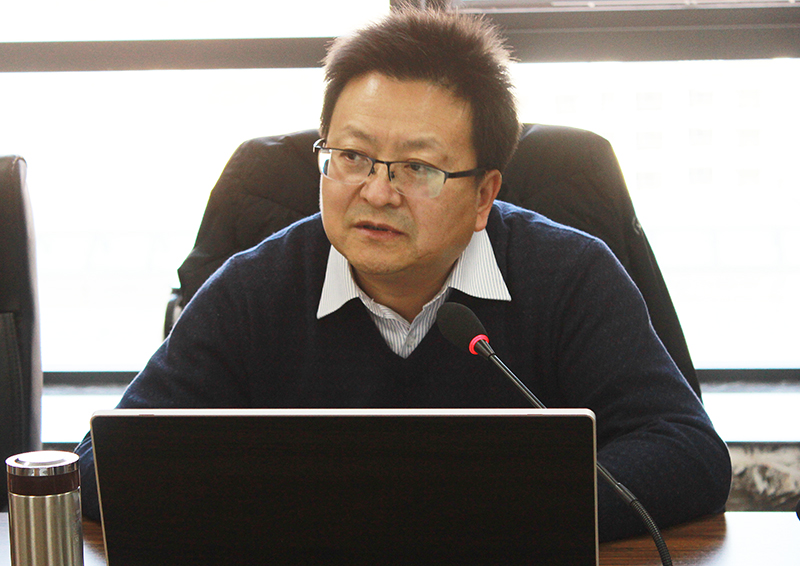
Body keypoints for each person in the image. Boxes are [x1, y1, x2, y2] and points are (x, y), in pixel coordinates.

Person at [75, 7, 731, 541]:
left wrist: (480, 516)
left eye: (418, 167)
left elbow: (686, 450)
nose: (376, 192)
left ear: (484, 194)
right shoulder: (254, 288)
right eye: (351, 156)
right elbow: (103, 465)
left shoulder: (571, 276)